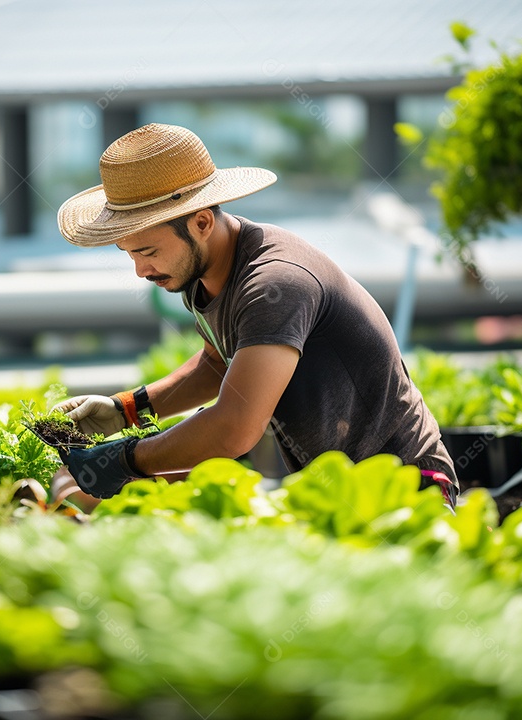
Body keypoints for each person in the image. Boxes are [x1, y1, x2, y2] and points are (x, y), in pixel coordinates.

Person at [51, 123, 456, 506]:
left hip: (407, 489)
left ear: (202, 222)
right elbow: (218, 363)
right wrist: (128, 409)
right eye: (130, 254)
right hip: (339, 492)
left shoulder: (274, 284)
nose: (140, 271)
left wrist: (125, 460)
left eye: (148, 252)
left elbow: (235, 428)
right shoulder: (202, 273)